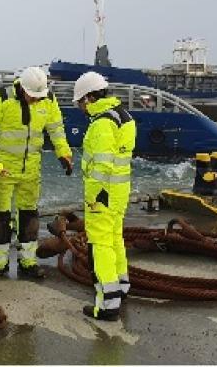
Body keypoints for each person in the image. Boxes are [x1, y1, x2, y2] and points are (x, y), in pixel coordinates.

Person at [0, 66, 72, 280]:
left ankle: (27, 262)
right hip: (3, 170)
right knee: (0, 217)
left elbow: (56, 129)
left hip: (31, 170)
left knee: (29, 216)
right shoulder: (1, 98)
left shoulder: (48, 99)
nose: (36, 100)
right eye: (33, 96)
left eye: (39, 96)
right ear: (22, 88)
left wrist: (63, 153)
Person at [73, 71, 136, 321]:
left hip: (102, 193)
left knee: (100, 245)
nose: (80, 108)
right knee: (114, 237)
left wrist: (92, 198)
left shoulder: (102, 123)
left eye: (80, 103)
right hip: (120, 190)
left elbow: (101, 166)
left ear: (89, 97)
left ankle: (107, 305)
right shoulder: (123, 115)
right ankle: (121, 287)